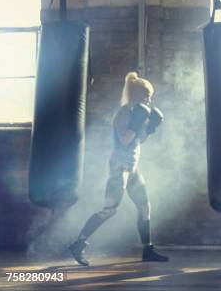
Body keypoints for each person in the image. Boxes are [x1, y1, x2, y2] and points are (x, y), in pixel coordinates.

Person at [69, 72, 169, 266]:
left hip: (132, 167)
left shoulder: (140, 112)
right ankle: (78, 243)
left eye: (150, 95)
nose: (150, 99)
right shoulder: (124, 113)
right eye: (147, 95)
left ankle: (148, 250)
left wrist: (150, 128)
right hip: (119, 167)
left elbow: (138, 141)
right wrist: (139, 121)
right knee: (109, 209)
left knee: (144, 206)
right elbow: (124, 140)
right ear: (137, 94)